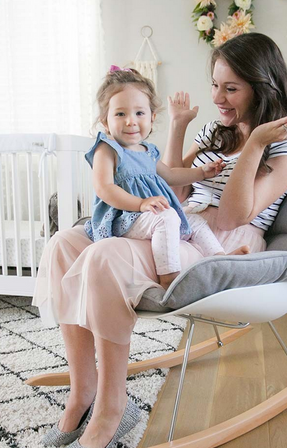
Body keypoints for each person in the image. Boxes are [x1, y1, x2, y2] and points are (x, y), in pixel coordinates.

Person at [32, 32, 287, 448]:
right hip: (180, 225)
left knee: (103, 256)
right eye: (215, 83)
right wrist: (180, 130)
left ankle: (112, 406)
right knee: (65, 242)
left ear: (262, 84)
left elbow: (238, 215)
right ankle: (82, 389)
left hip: (223, 242)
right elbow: (172, 183)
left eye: (230, 88)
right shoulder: (216, 130)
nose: (217, 96)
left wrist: (254, 143)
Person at [83, 66, 248, 291]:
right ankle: (169, 278)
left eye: (139, 113)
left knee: (195, 222)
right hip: (123, 217)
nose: (131, 121)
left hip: (147, 215)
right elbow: (104, 188)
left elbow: (171, 175)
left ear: (152, 117)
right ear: (105, 121)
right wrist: (140, 204)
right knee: (167, 217)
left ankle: (220, 259)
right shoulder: (108, 149)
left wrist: (201, 172)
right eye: (121, 114)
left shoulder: (147, 151)